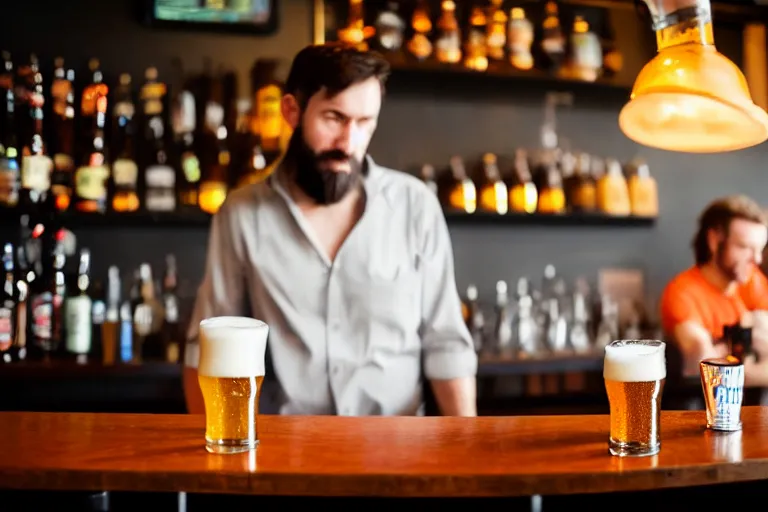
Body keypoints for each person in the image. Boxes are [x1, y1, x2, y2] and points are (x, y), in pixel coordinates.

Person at [182, 43, 478, 416]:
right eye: (334, 118)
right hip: (287, 453)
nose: (348, 143)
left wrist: (467, 450)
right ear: (292, 111)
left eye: (365, 122)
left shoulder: (415, 205)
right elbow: (207, 350)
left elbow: (447, 345)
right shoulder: (242, 214)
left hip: (399, 449)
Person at [660, 195, 768, 385]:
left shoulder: (753, 281)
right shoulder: (682, 292)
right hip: (705, 409)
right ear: (714, 240)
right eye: (744, 247)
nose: (757, 260)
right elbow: (704, 368)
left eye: (759, 249)